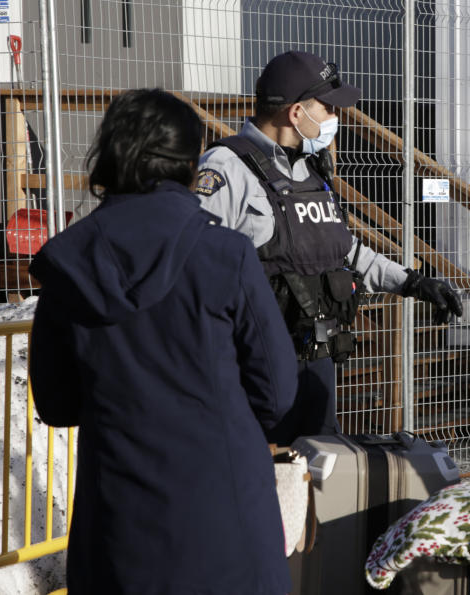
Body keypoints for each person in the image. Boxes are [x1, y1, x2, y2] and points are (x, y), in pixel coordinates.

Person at [28, 89, 298, 594]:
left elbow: (58, 402)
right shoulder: (226, 253)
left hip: (119, 522)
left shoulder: (68, 263)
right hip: (225, 512)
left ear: (108, 154)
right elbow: (278, 392)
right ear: (190, 161)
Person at [196, 51, 462, 444]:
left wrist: (412, 283)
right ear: (296, 113)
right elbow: (195, 271)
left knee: (323, 480)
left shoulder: (310, 168)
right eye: (327, 107)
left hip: (318, 361)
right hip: (254, 367)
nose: (335, 118)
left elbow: (343, 249)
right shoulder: (225, 168)